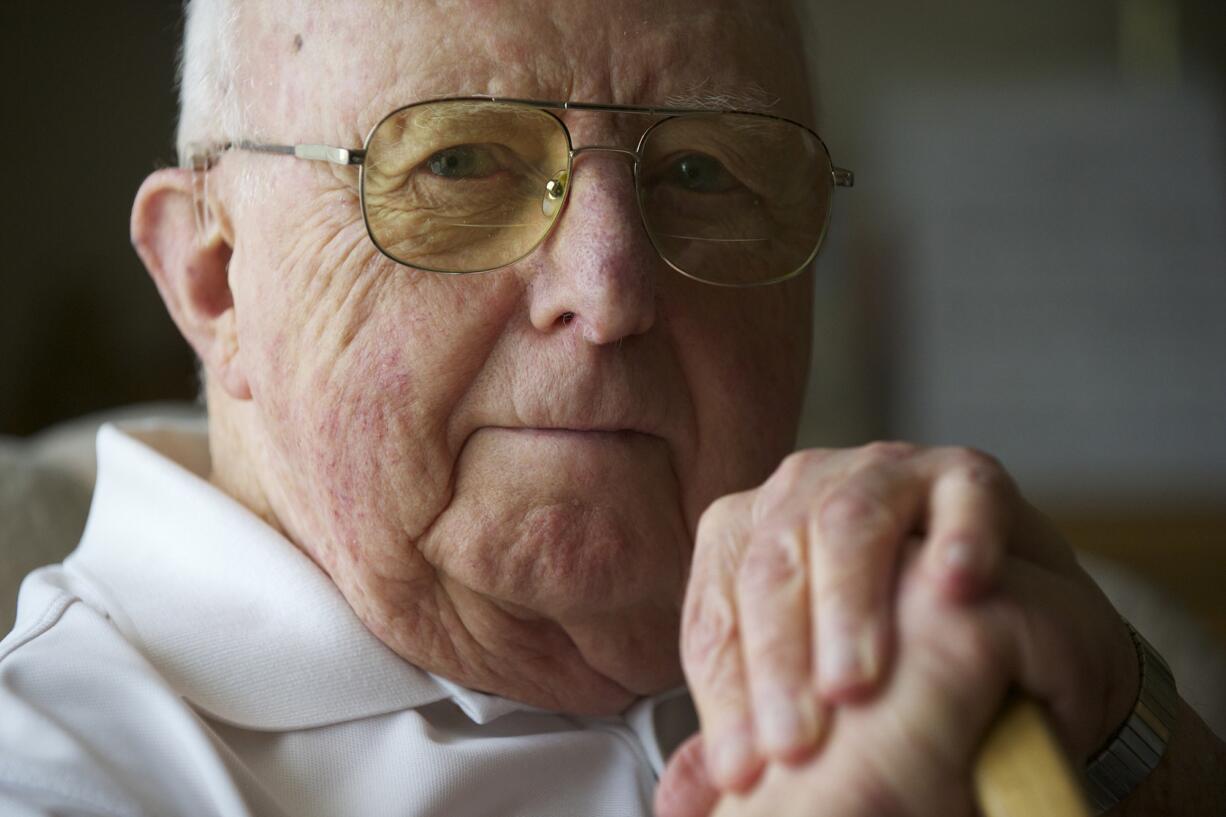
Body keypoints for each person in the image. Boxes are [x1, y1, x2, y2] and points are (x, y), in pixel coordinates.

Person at [0, 0, 1222, 815]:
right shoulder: (53, 765)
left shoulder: (965, 612)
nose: (612, 287)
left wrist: (1126, 739)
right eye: (458, 163)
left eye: (703, 171)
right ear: (213, 276)